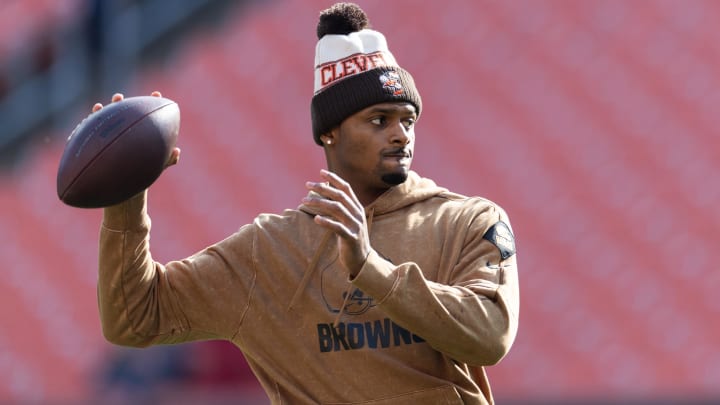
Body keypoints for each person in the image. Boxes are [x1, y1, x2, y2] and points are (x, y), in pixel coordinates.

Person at [94, 3, 520, 404]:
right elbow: (134, 318)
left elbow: (490, 335)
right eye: (379, 120)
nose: (401, 135)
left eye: (407, 119)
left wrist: (369, 268)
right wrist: (127, 197)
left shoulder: (469, 221)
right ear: (330, 132)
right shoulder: (268, 250)